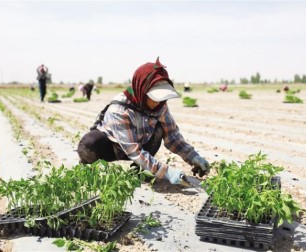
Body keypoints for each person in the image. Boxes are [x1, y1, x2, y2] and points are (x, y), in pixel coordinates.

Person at [77, 58, 210, 185]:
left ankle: (139, 169)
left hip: (140, 144)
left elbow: (172, 136)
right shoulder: (119, 109)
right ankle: (87, 168)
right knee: (90, 143)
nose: (158, 102)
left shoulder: (160, 105)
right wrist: (167, 172)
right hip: (113, 147)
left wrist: (193, 157)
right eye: (154, 97)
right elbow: (134, 150)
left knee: (159, 129)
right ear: (142, 90)